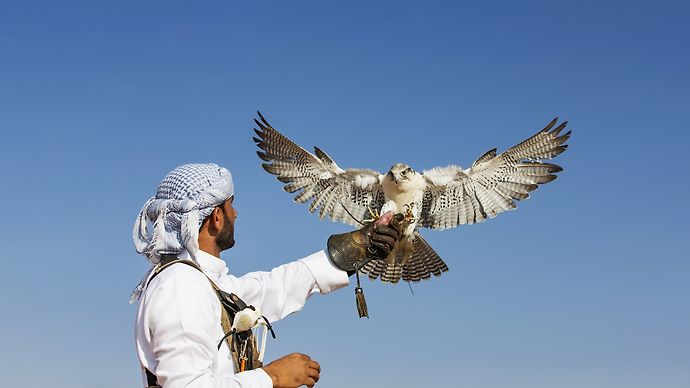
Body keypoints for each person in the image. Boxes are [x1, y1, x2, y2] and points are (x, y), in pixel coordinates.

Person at [132, 163, 401, 388]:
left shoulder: (204, 282)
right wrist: (271, 377)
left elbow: (273, 287)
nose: (235, 215)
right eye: (230, 206)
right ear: (216, 216)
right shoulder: (180, 286)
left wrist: (360, 245)